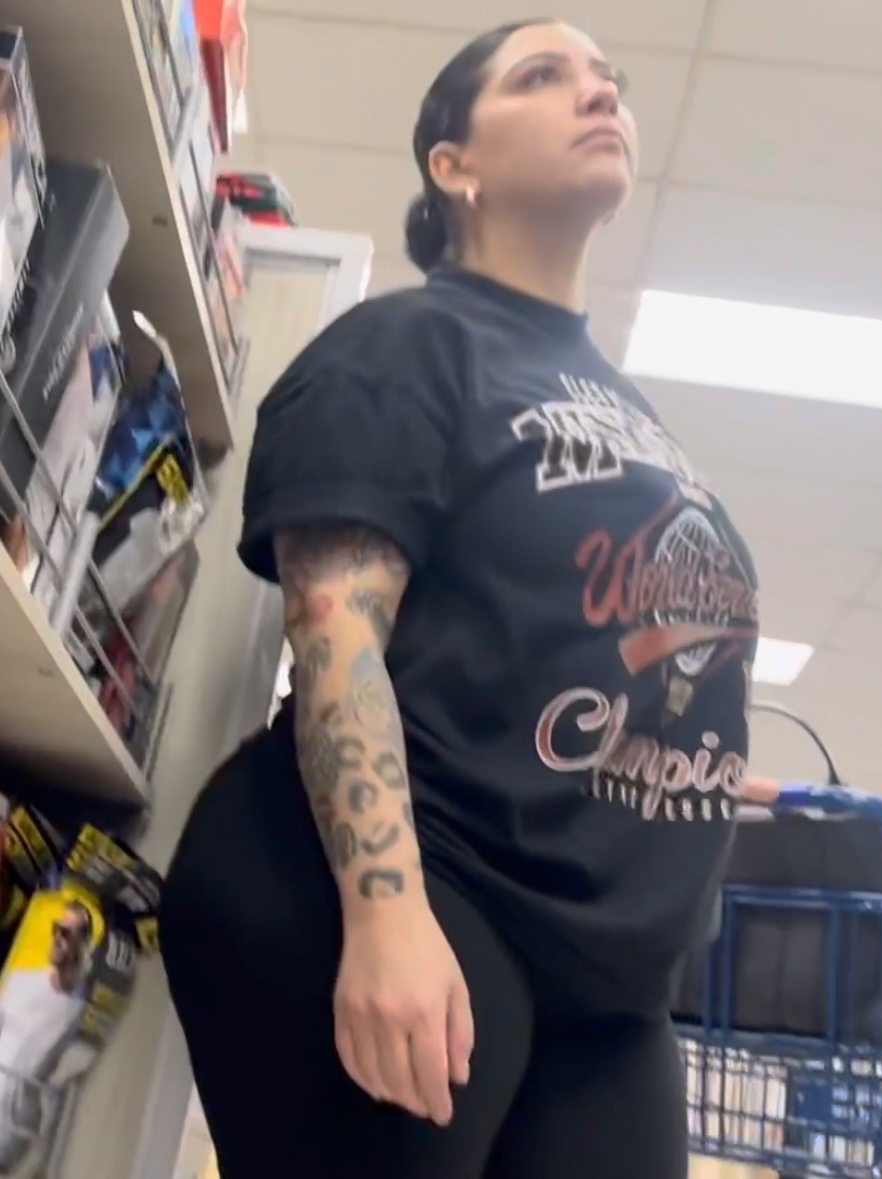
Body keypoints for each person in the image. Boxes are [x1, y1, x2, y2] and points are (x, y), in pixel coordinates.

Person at [160, 17, 760, 1179]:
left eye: (610, 81)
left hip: (608, 976)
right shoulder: (406, 347)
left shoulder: (625, 407)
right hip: (419, 883)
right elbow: (335, 630)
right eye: (545, 77)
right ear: (455, 165)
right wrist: (384, 912)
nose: (601, 95)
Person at [0, 902, 90, 1171]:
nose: (59, 938)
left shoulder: (76, 1007)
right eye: (57, 929)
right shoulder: (20, 980)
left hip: (14, 1118)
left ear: (82, 943)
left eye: (68, 933)